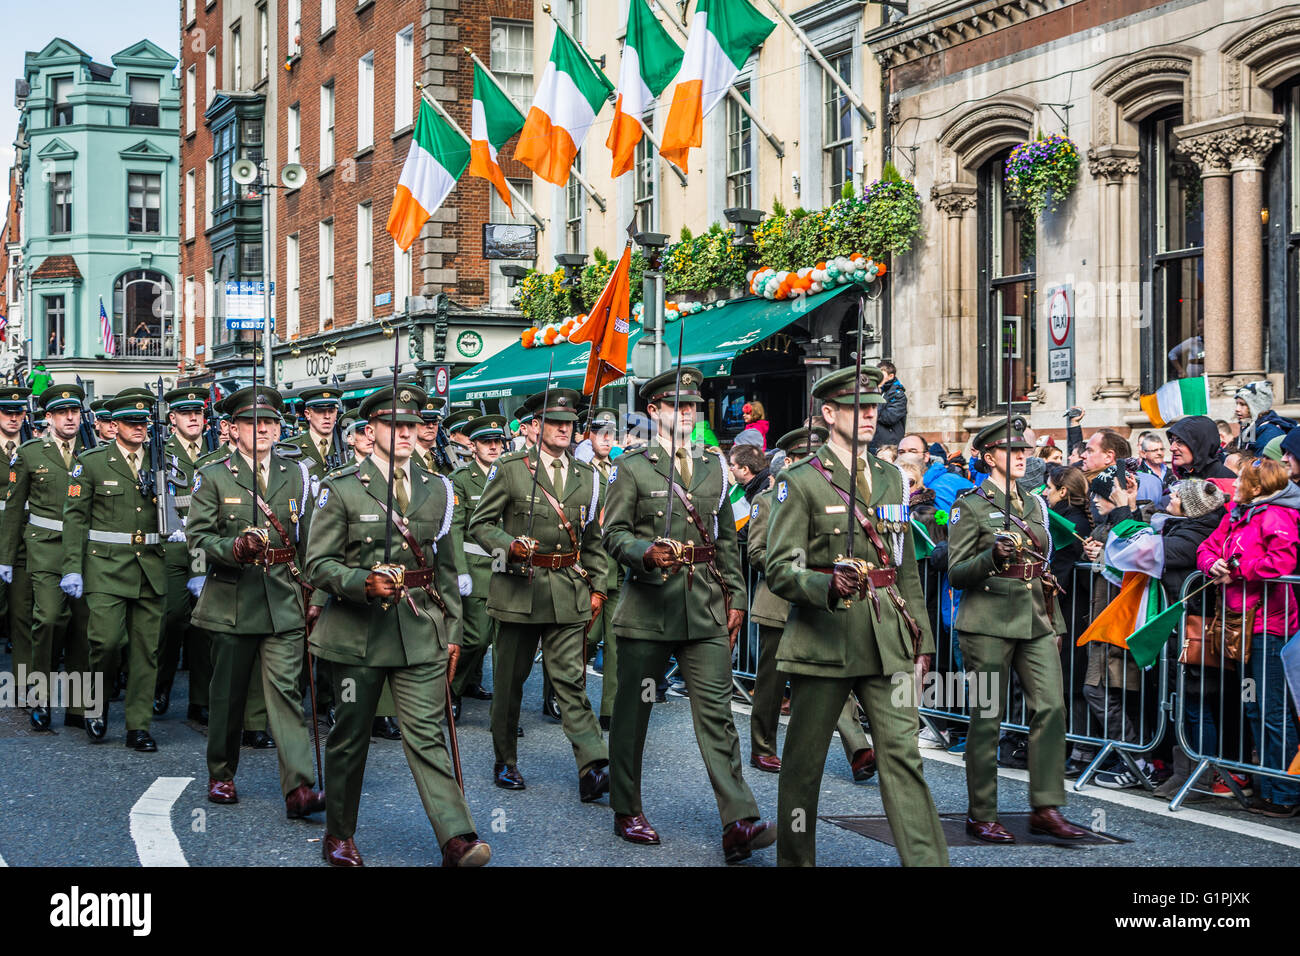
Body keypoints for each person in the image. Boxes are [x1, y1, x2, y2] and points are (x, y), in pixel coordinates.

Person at [763, 366, 945, 866]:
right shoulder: (799, 481)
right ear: (829, 414)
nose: (870, 415)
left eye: (874, 406)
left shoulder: (891, 478)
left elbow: (903, 566)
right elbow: (778, 566)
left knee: (903, 758)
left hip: (886, 637)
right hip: (823, 638)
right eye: (857, 407)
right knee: (803, 766)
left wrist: (922, 641)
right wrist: (822, 583)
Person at [305, 384, 489, 867]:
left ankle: (457, 838)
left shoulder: (438, 488)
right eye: (394, 425)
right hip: (354, 636)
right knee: (350, 736)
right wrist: (361, 581)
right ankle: (339, 835)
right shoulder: (341, 487)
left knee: (428, 735)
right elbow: (317, 564)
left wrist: (453, 632)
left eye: (411, 425)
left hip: (418, 630)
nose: (406, 432)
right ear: (372, 431)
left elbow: (446, 570)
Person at [603, 367, 773, 863]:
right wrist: (644, 552)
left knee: (717, 715)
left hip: (702, 604)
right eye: (677, 406)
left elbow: (725, 540)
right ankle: (625, 807)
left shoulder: (714, 466)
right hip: (648, 607)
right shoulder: (632, 467)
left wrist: (736, 598)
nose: (687, 414)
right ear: (653, 411)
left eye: (693, 407)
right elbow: (612, 534)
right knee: (634, 714)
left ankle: (738, 819)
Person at [947, 418, 1088, 843]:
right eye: (1012, 451)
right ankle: (982, 812)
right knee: (987, 716)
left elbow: (1044, 572)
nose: (1023, 456)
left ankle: (1046, 806)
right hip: (986, 621)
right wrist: (991, 555)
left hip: (1035, 620)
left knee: (1050, 708)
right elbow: (956, 573)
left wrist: (1055, 623)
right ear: (989, 457)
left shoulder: (1034, 503)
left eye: (1025, 450)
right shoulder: (969, 505)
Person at [187, 385, 325, 817]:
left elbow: (312, 540)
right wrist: (234, 548)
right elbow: (198, 536)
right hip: (232, 599)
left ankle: (299, 787)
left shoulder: (297, 473)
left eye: (269, 422)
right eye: (252, 422)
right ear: (231, 429)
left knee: (285, 693)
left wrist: (316, 593)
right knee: (227, 694)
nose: (262, 429)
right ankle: (222, 773)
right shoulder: (213, 474)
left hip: (283, 598)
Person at [466, 388, 610, 800]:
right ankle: (505, 760)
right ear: (536, 427)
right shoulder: (511, 469)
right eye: (556, 423)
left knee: (570, 680)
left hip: (567, 590)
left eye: (570, 424)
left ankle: (593, 764)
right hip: (518, 589)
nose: (565, 430)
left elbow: (593, 539)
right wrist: (508, 545)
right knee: (511, 682)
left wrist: (597, 585)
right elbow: (480, 524)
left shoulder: (588, 476)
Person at [747, 426, 876, 780]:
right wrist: (795, 566)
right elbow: (758, 553)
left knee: (835, 678)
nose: (812, 462)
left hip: (823, 603)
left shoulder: (833, 493)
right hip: (779, 603)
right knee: (771, 683)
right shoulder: (767, 500)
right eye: (804, 456)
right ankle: (763, 746)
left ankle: (859, 750)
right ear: (788, 461)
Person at [61, 392, 168, 751]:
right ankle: (97, 703)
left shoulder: (161, 459)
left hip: (150, 565)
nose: (139, 428)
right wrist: (72, 568)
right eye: (131, 423)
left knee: (145, 651)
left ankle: (138, 726)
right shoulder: (92, 462)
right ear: (115, 426)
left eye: (144, 423)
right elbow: (75, 517)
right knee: (105, 643)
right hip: (105, 567)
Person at [1197, 458, 1300, 816]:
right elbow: (1206, 547)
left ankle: (1284, 793)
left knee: (1273, 712)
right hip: (1240, 627)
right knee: (1253, 706)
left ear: (1257, 487)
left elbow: (1281, 563)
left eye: (1240, 478)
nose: (1233, 483)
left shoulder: (1278, 515)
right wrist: (1212, 564)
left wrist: (1238, 570)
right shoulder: (1236, 513)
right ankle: (1267, 786)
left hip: (1270, 629)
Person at [0, 384, 90, 731]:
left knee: (83, 627)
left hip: (85, 548)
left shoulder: (95, 452)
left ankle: (81, 706)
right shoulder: (30, 453)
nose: (70, 418)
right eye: (62, 413)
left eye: (75, 412)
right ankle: (38, 697)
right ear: (48, 418)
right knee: (49, 619)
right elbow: (12, 508)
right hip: (44, 546)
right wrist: (6, 557)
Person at [1152, 478, 1228, 799]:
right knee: (1183, 704)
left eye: (1177, 494)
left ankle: (1199, 775)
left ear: (1191, 507)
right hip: (1179, 628)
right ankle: (1183, 772)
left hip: (1193, 628)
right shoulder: (1183, 528)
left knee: (1195, 703)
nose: (1170, 495)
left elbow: (1143, 553)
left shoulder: (1191, 536)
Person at [447, 414, 505, 715]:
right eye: (487, 442)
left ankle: (505, 712)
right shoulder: (461, 479)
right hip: (477, 566)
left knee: (504, 646)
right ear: (473, 446)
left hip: (506, 568)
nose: (493, 447)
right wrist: (460, 570)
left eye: (497, 442)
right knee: (476, 638)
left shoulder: (510, 474)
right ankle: (453, 690)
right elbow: (455, 527)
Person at [583, 406, 622, 729]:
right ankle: (567, 697)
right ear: (590, 436)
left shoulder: (620, 470)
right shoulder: (580, 471)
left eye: (611, 434)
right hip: (589, 569)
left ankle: (610, 709)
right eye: (601, 433)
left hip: (617, 569)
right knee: (583, 638)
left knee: (615, 643)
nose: (607, 439)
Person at [0, 388, 34, 712]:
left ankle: (24, 686)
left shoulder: (31, 450)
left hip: (21, 540)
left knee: (22, 616)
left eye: (18, 412)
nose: (13, 418)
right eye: (7, 411)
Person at [286, 386, 343, 474]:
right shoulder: (291, 448)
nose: (327, 416)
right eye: (320, 411)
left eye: (331, 411)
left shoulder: (345, 446)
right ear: (307, 414)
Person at [1167, 416, 1236, 487]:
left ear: (1200, 445)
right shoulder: (1187, 476)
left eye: (1180, 441)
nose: (1172, 448)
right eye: (1172, 440)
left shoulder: (1227, 482)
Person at [1234, 381, 1293, 457]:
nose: (1237, 409)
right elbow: (1246, 454)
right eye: (1237, 404)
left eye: (1243, 404)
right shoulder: (1251, 427)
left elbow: (1264, 466)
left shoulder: (1270, 432)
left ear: (1257, 406)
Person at [870, 359, 907, 452]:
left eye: (881, 375)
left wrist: (874, 405)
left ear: (891, 376)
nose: (878, 378)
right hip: (873, 442)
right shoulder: (877, 392)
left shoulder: (898, 395)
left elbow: (889, 418)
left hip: (889, 446)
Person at [728, 443, 771, 509]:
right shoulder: (750, 486)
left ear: (745, 470)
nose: (730, 469)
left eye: (732, 465)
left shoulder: (766, 490)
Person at [414, 397, 447, 474]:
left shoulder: (446, 453)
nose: (431, 426)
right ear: (414, 423)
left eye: (435, 422)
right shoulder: (403, 454)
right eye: (425, 422)